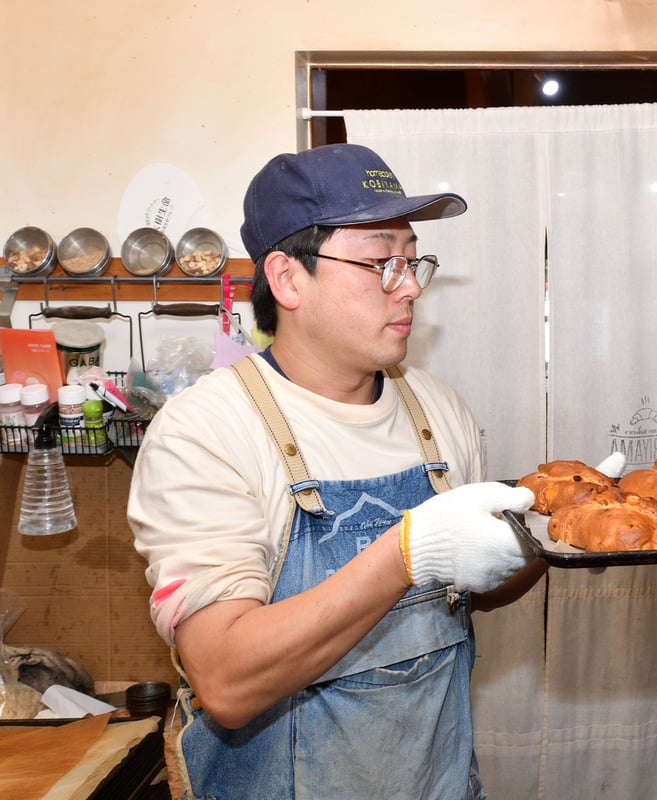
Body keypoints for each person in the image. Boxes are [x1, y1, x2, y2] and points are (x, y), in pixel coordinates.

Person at [128, 143, 622, 799]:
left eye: (412, 258)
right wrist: (408, 553)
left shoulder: (438, 410)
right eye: (379, 261)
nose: (411, 284)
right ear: (288, 278)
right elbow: (227, 680)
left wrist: (547, 535)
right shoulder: (207, 432)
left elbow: (469, 593)